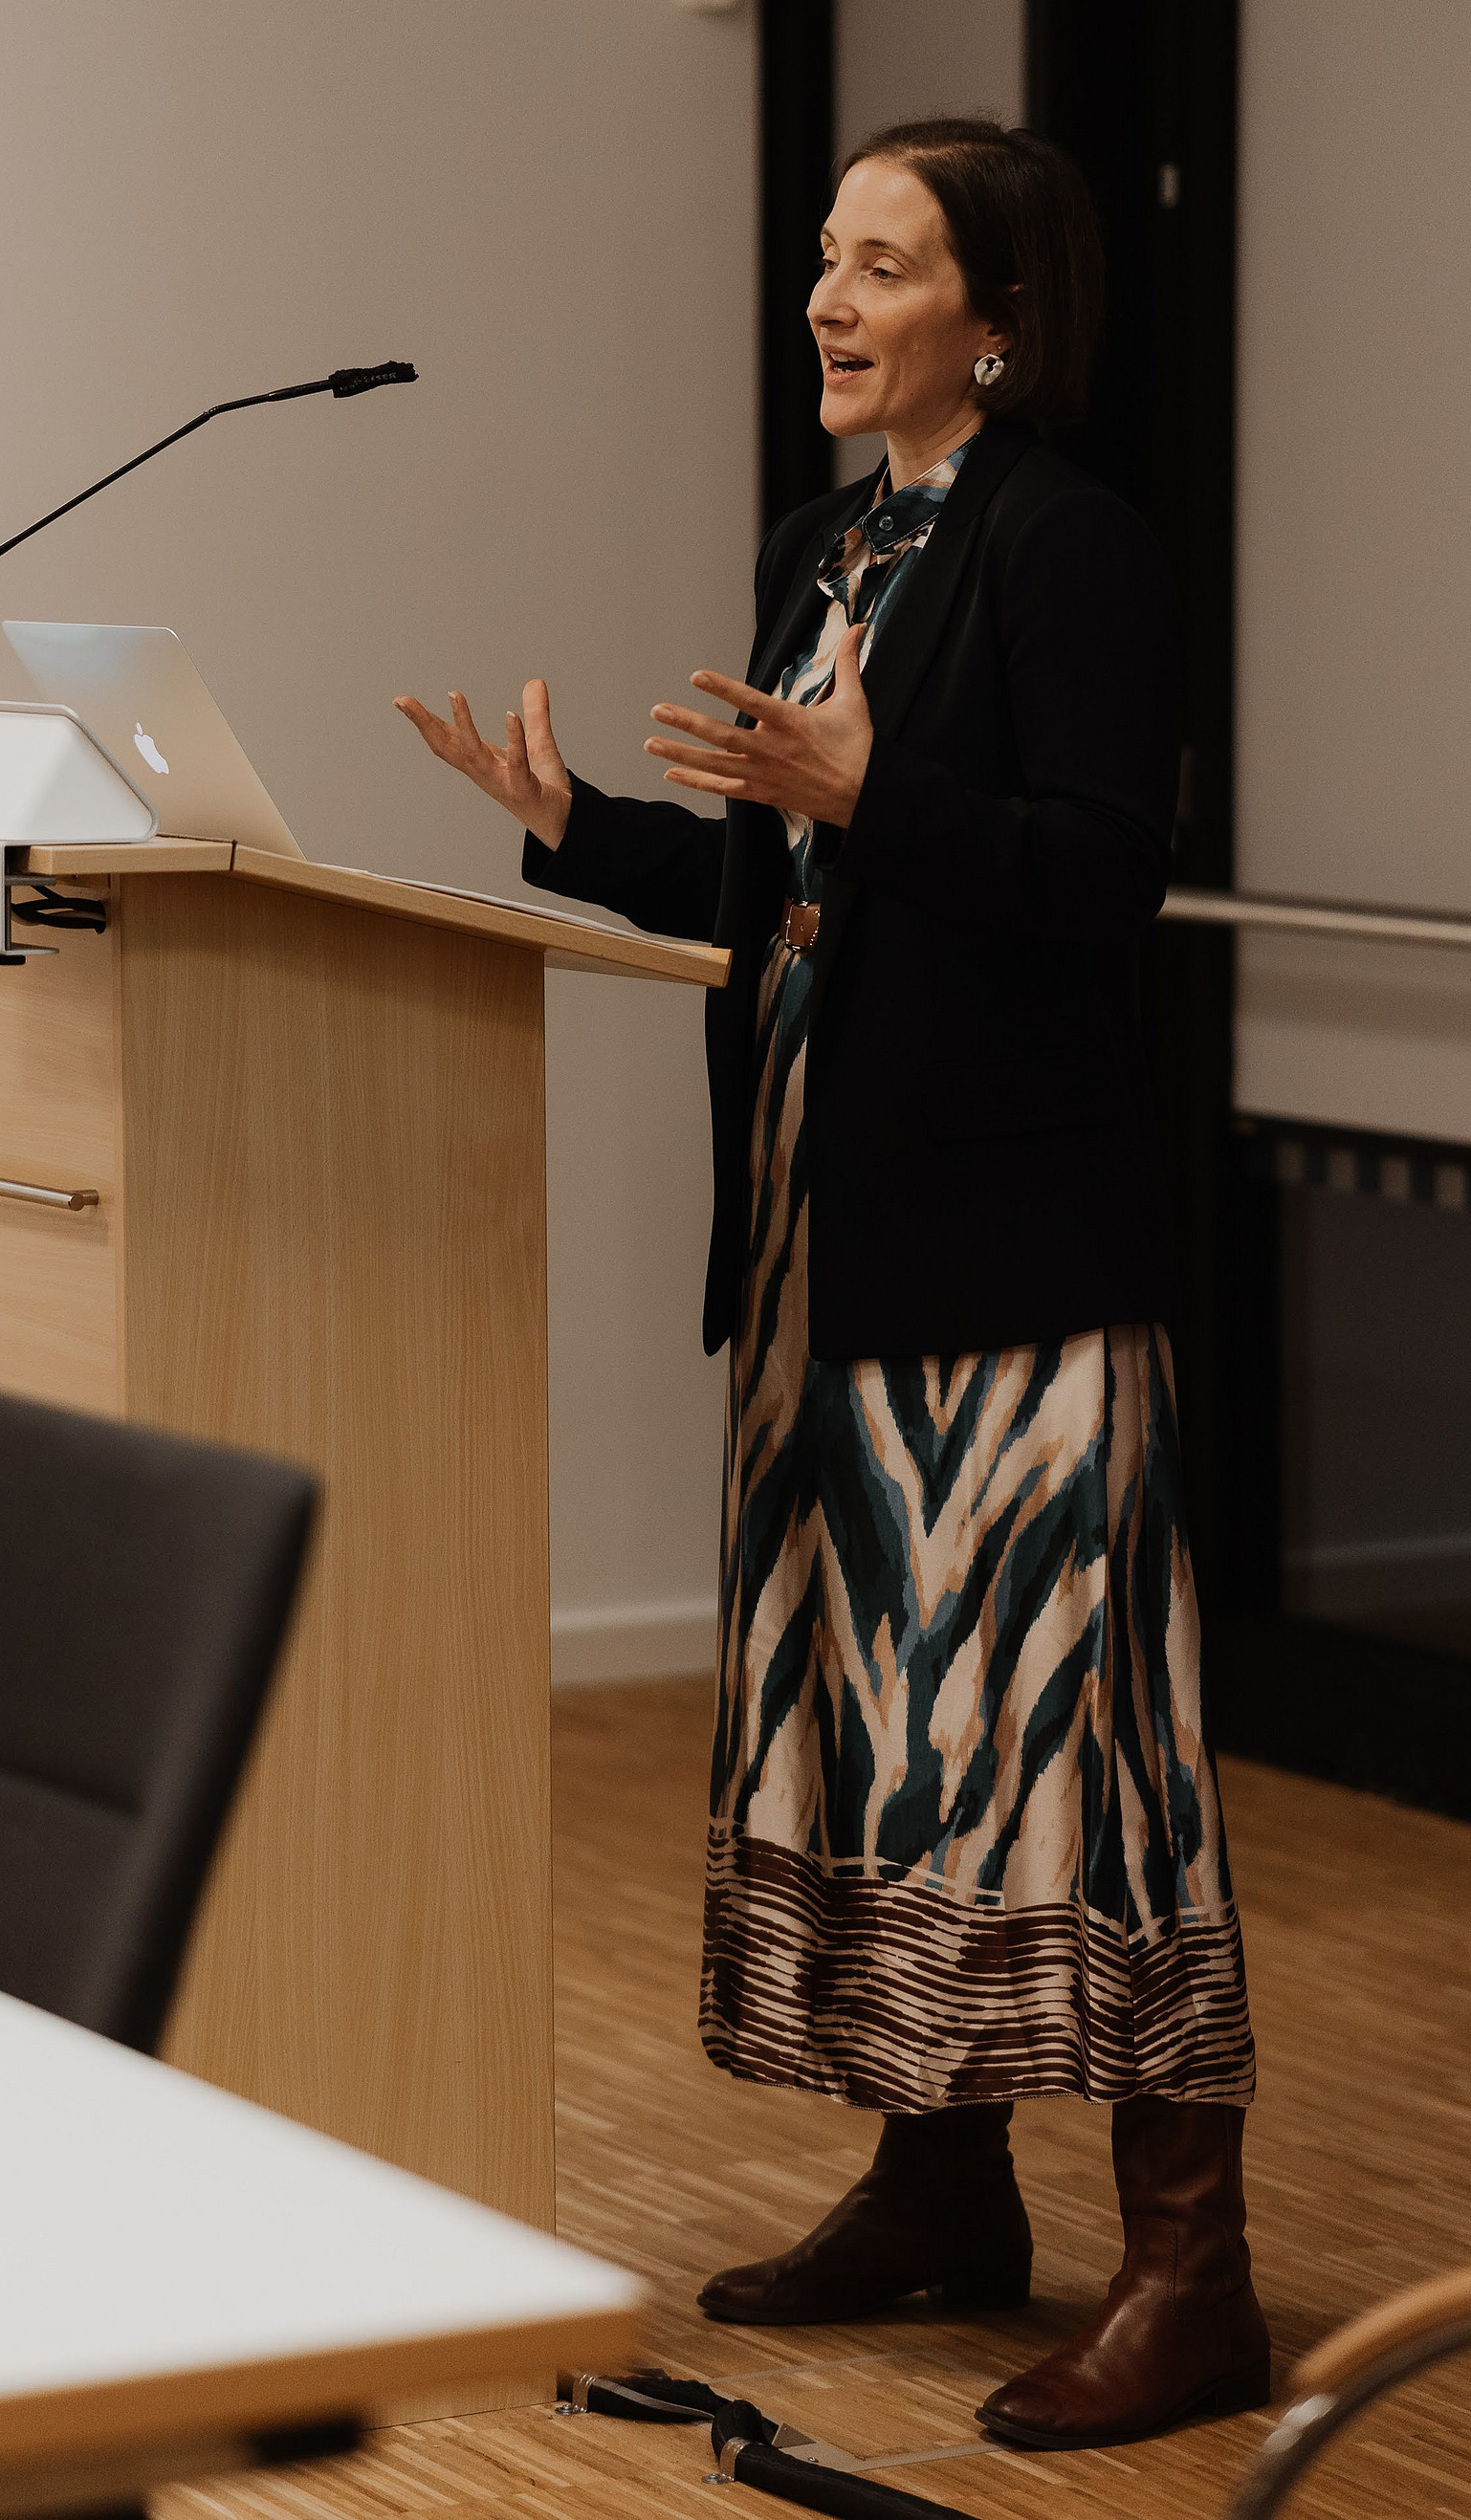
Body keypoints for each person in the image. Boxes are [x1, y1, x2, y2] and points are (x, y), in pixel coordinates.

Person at [394, 118, 1267, 2453]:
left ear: (999, 314)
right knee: (889, 1732)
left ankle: (1190, 2274)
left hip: (1015, 1270)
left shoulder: (1070, 546)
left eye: (879, 264)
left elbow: (1093, 876)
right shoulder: (822, 543)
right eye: (822, 255)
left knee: (1083, 1753)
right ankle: (938, 2180)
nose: (826, 296)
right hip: (820, 1244)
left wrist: (872, 799)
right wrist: (575, 829)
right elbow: (801, 876)